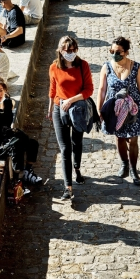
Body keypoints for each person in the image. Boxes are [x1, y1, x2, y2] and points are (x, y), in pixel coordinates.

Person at [97, 37, 140, 184]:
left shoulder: (136, 67)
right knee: (119, 137)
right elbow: (102, 90)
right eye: (112, 51)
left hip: (133, 109)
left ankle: (134, 169)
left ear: (126, 52)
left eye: (118, 51)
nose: (115, 54)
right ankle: (124, 164)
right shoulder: (106, 67)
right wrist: (99, 109)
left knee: (133, 139)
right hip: (115, 109)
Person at [47, 36, 94, 201]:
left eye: (74, 50)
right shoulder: (54, 67)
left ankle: (77, 168)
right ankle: (68, 187)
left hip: (78, 109)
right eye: (68, 51)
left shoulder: (83, 65)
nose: (71, 53)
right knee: (65, 149)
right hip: (60, 109)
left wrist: (71, 100)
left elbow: (89, 89)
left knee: (77, 142)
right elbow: (53, 90)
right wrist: (51, 108)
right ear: (60, 50)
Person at [0, 74, 41, 185]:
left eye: (1, 90)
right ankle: (18, 181)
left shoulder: (10, 103)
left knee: (32, 144)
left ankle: (27, 171)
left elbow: (6, 120)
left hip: (7, 137)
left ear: (5, 89)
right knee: (16, 148)